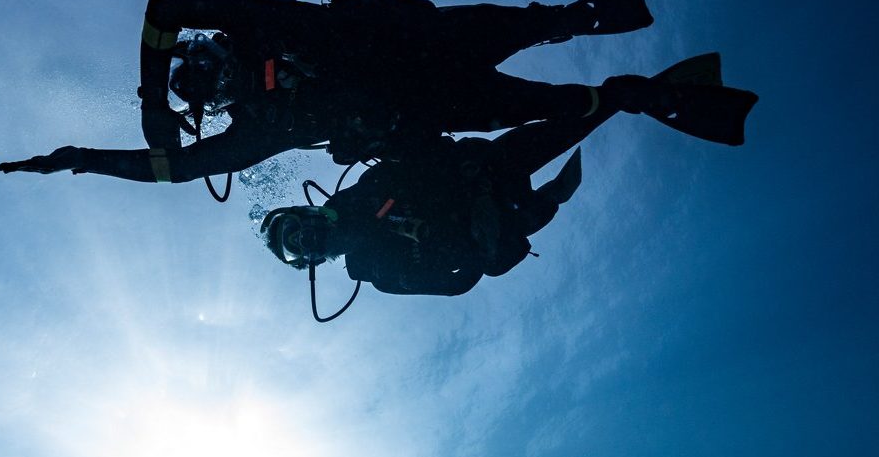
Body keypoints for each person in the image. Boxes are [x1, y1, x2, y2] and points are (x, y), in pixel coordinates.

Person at [0, 0, 655, 182]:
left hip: (421, 41)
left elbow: (165, 5)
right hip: (434, 103)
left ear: (211, 45)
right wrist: (82, 159)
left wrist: (151, 100)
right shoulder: (260, 128)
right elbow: (176, 171)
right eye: (198, 89)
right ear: (214, 106)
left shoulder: (258, 26)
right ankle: (614, 96)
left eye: (193, 65)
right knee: (552, 105)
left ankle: (570, 22)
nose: (206, 77)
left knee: (532, 25)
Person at [260, 54, 758, 296]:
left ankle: (643, 95)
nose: (305, 239)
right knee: (518, 229)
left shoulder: (360, 190)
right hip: (501, 215)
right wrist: (476, 242)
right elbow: (457, 284)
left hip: (486, 170)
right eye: (298, 249)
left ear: (306, 209)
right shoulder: (377, 271)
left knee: (575, 121)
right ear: (313, 263)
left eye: (295, 229)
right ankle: (555, 192)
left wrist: (458, 169)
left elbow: (420, 153)